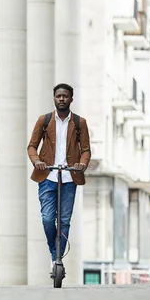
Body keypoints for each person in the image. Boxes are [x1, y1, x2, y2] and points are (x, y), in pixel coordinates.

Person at [27, 83, 91, 276]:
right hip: (48, 176)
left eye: (65, 96)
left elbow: (86, 150)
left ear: (71, 98)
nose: (61, 99)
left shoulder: (80, 123)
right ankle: (54, 254)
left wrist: (82, 164)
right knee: (48, 219)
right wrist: (37, 161)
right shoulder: (44, 120)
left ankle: (57, 260)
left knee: (64, 221)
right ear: (54, 98)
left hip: (70, 177)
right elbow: (31, 146)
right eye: (58, 96)